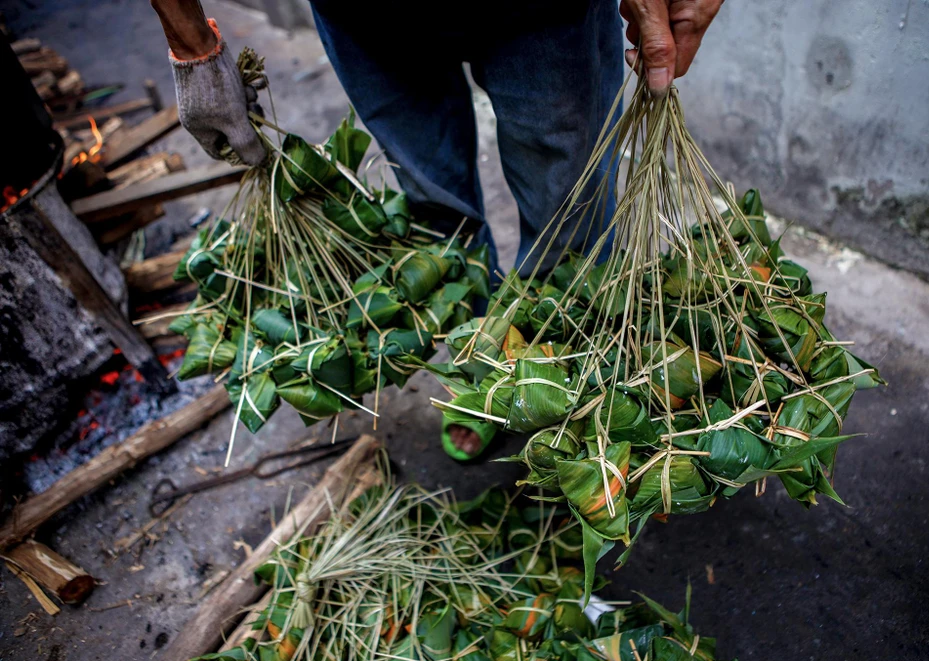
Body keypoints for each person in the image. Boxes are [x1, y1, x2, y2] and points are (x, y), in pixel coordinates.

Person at [151, 0, 723, 457]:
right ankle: (484, 367)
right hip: (370, 15)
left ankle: (564, 370)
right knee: (434, 207)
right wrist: (193, 47)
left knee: (568, 202)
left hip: (545, 10)